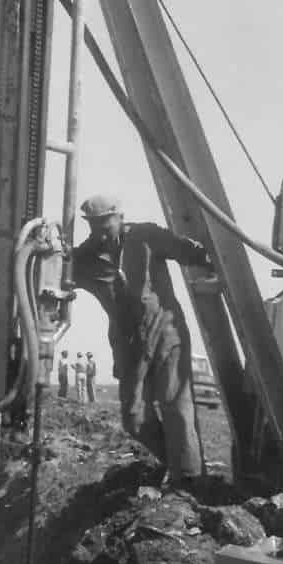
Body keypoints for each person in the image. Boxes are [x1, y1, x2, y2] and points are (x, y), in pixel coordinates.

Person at [69, 195, 212, 482]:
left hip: (166, 331)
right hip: (129, 345)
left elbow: (188, 251)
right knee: (134, 418)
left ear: (120, 217)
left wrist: (213, 257)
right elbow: (51, 276)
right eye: (93, 225)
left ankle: (190, 480)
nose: (100, 231)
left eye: (105, 223)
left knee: (176, 407)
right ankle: (176, 463)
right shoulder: (84, 259)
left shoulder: (146, 236)